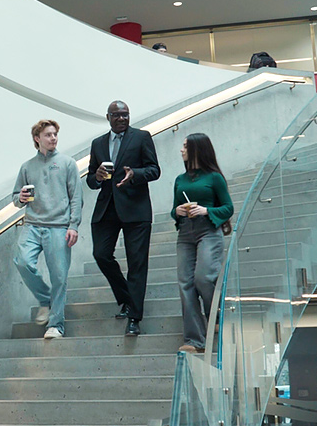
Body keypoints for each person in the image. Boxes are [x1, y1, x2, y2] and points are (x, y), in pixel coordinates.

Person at [86, 101, 160, 336]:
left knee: (137, 263)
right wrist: (97, 177)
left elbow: (154, 170)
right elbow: (90, 180)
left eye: (125, 115)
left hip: (135, 209)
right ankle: (126, 298)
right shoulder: (98, 143)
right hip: (107, 209)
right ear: (108, 117)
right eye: (117, 115)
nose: (122, 119)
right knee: (100, 254)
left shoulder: (141, 137)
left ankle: (134, 317)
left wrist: (135, 174)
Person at [12, 119, 82, 339]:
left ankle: (56, 325)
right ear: (37, 139)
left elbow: (76, 198)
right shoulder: (26, 167)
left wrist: (74, 226)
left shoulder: (68, 163)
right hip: (32, 224)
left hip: (59, 227)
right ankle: (46, 299)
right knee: (22, 262)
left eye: (55, 134)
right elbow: (15, 198)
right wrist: (20, 198)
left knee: (59, 277)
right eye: (48, 135)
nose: (53, 138)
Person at [171, 133, 233, 353]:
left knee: (204, 278)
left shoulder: (214, 177)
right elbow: (174, 208)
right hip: (186, 232)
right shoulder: (180, 179)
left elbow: (228, 207)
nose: (182, 150)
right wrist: (176, 211)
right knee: (185, 284)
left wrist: (206, 210)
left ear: (197, 149)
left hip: (208, 230)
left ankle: (215, 314)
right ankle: (194, 340)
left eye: (186, 146)